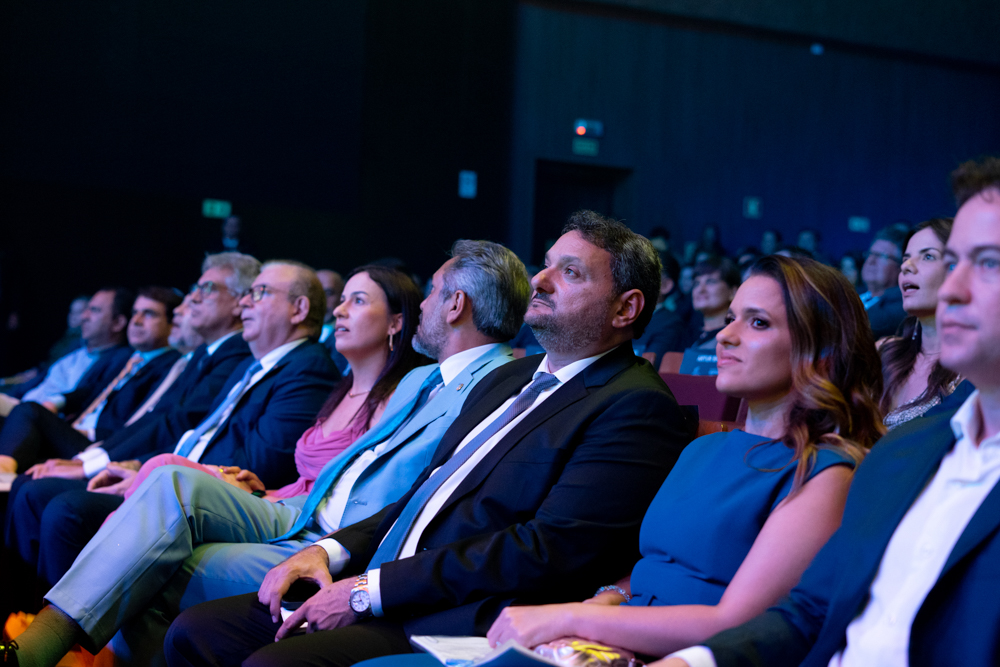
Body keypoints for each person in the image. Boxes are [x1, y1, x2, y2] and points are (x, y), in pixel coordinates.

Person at [150, 211, 694, 667]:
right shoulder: (511, 378)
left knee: (272, 661)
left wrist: (369, 593)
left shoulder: (634, 405)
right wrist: (329, 550)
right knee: (197, 631)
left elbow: (546, 550)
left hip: (460, 614)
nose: (542, 280)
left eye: (570, 273)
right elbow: (424, 494)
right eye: (546, 264)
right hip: (388, 580)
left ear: (626, 308)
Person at [1, 241, 533, 667]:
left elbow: (429, 496)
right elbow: (350, 462)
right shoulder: (422, 376)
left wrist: (336, 551)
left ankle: (42, 651)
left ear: (457, 304)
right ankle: (42, 648)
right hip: (301, 508)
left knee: (160, 560)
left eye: (432, 292)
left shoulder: (498, 384)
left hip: (347, 537)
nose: (422, 304)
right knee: (168, 482)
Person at [431, 256, 881, 666]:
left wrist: (567, 618)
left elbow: (737, 624)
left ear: (820, 351)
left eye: (758, 323)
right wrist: (604, 601)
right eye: (730, 319)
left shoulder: (825, 472)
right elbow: (656, 568)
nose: (726, 335)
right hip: (612, 646)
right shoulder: (703, 448)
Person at [655, 155, 1000, 667]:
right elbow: (809, 613)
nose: (950, 289)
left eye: (989, 262)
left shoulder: (849, 462)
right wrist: (690, 663)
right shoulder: (907, 450)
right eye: (952, 264)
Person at [0, 287, 183, 474]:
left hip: (101, 445)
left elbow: (140, 422)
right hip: (76, 430)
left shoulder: (171, 367)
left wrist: (89, 433)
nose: (136, 321)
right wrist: (56, 403)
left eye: (149, 314)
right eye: (135, 313)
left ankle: (2, 471)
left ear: (172, 324)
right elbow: (90, 390)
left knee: (29, 410)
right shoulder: (125, 357)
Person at [878, 218, 964, 429]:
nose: (906, 266)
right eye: (905, 258)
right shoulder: (883, 353)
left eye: (927, 256)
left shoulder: (975, 370)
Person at [0, 289, 131, 417]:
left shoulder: (120, 361)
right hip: (20, 406)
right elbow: (40, 377)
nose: (84, 317)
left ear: (118, 323)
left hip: (41, 419)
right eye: (86, 310)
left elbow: (83, 399)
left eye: (94, 310)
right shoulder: (72, 346)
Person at [679, 257, 740, 375]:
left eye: (710, 282)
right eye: (696, 283)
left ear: (733, 291)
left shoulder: (736, 338)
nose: (700, 289)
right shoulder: (682, 334)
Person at [860, 226, 909, 338]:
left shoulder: (901, 307)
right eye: (870, 254)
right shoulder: (851, 291)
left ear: (900, 267)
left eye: (880, 256)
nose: (871, 261)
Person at [317, 269, 350, 374]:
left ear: (342, 296)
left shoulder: (349, 337)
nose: (321, 300)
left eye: (328, 293)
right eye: (317, 294)